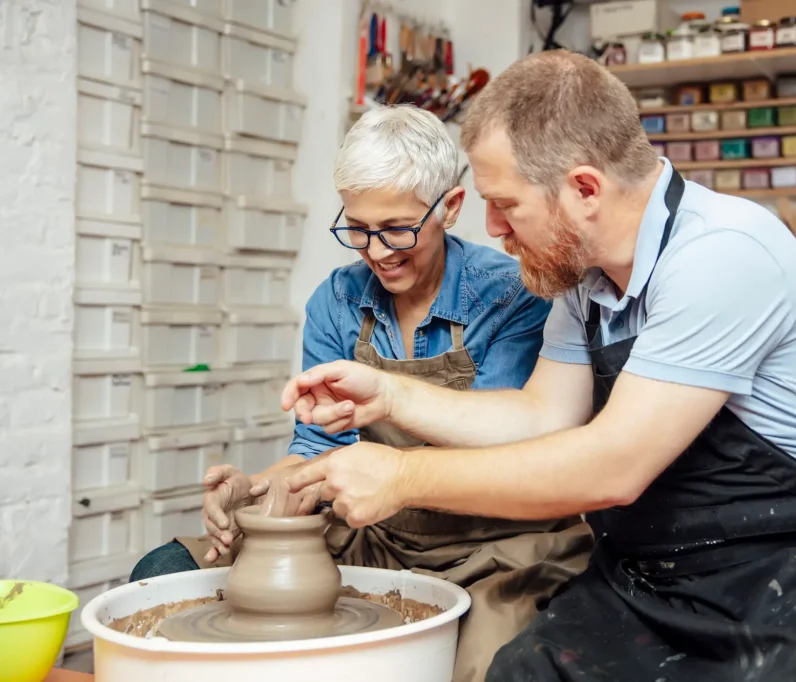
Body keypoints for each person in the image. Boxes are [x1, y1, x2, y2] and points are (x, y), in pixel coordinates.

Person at [279, 51, 796, 682]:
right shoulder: (582, 277)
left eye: (505, 204)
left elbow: (614, 465)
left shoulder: (722, 256)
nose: (493, 228)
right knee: (518, 671)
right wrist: (388, 398)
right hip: (659, 576)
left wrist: (400, 474)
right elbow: (541, 416)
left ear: (584, 188)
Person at [129, 105, 594, 682]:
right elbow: (316, 446)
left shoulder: (512, 295)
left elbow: (510, 452)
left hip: (495, 544)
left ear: (449, 208)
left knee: (490, 665)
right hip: (373, 531)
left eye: (397, 227)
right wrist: (259, 488)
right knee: (165, 569)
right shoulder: (339, 300)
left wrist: (391, 450)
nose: (376, 251)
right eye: (357, 228)